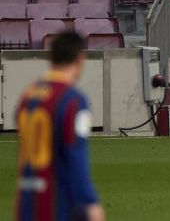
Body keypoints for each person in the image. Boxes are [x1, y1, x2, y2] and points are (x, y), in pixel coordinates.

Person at [15, 32, 104, 221]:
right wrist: (90, 201)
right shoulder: (73, 100)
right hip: (57, 201)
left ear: (50, 57)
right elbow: (75, 156)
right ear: (80, 59)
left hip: (26, 200)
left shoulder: (28, 96)